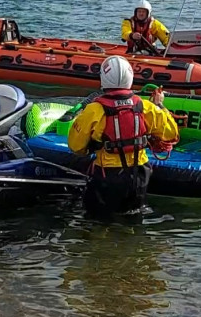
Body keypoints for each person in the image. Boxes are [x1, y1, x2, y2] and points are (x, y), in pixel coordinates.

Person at [68, 56, 180, 218]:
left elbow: (76, 146)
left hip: (107, 176)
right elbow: (172, 133)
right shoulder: (145, 107)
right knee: (134, 218)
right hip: (139, 175)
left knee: (98, 222)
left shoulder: (94, 110)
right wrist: (159, 105)